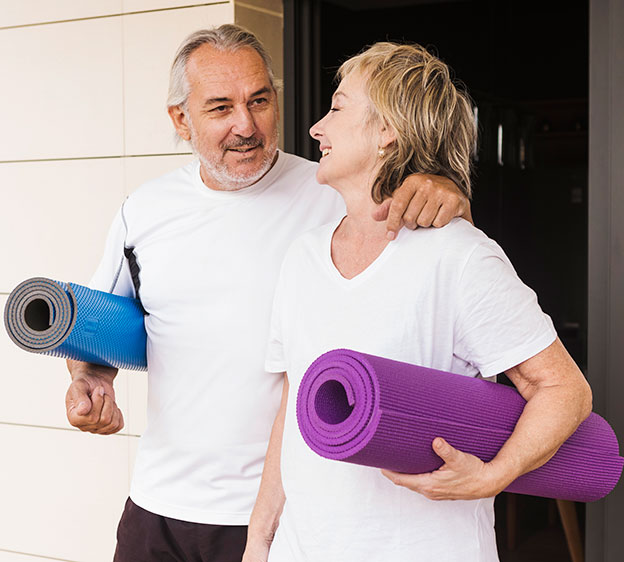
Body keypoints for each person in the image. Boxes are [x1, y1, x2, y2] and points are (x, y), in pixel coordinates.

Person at [63, 26, 470, 562]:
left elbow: (438, 258)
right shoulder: (143, 211)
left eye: (260, 100)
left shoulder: (334, 192)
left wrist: (449, 192)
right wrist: (90, 380)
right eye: (220, 108)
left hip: (280, 514)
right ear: (180, 119)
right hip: (156, 508)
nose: (246, 125)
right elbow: (100, 325)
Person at [244, 42, 593, 562]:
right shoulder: (302, 257)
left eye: (337, 108)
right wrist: (259, 539)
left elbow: (565, 389)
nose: (316, 128)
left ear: (387, 131)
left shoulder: (460, 257)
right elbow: (294, 409)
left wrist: (496, 474)